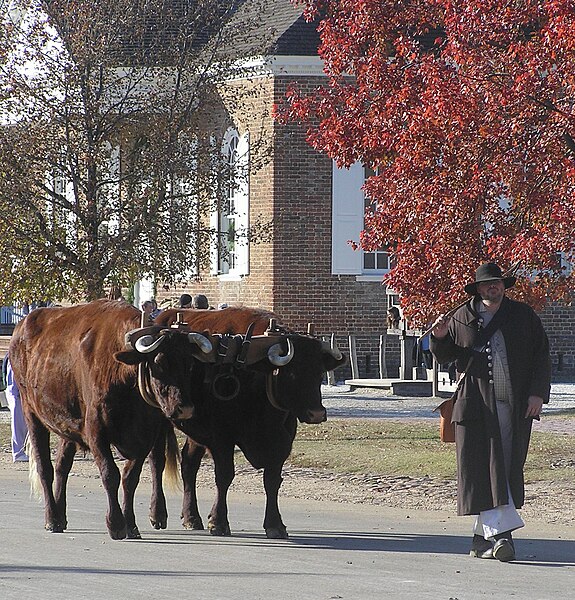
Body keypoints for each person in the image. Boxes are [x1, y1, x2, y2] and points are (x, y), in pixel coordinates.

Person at [430, 262, 551, 562]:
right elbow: (446, 356)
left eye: (496, 283)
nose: (492, 288)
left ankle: (479, 540)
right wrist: (441, 337)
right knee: (483, 469)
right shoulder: (461, 317)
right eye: (487, 284)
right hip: (475, 406)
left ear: (503, 286)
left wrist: (537, 393)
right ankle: (500, 537)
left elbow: (541, 354)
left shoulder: (523, 315)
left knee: (505, 467)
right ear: (478, 289)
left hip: (514, 406)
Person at [4, 356, 29, 462]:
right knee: (18, 418)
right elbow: (12, 385)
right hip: (15, 393)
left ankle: (23, 450)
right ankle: (18, 452)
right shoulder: (14, 355)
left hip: (19, 393)